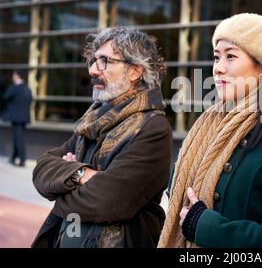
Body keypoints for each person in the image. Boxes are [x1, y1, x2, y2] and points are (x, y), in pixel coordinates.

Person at [158, 13, 262, 248]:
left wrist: (207, 227)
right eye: (216, 57)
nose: (218, 68)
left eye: (230, 56)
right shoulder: (207, 127)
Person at [32, 27, 172, 248]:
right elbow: (41, 169)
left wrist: (62, 185)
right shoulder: (93, 120)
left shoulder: (153, 127)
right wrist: (81, 173)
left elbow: (108, 201)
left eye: (105, 61)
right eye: (94, 61)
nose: (94, 71)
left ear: (135, 71)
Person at [2, 70, 32, 167]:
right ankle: (13, 157)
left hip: (16, 118)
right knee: (17, 138)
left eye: (14, 76)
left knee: (18, 139)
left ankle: (22, 160)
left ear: (18, 77)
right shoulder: (27, 89)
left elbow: (5, 96)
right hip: (23, 118)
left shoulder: (15, 88)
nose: (12, 78)